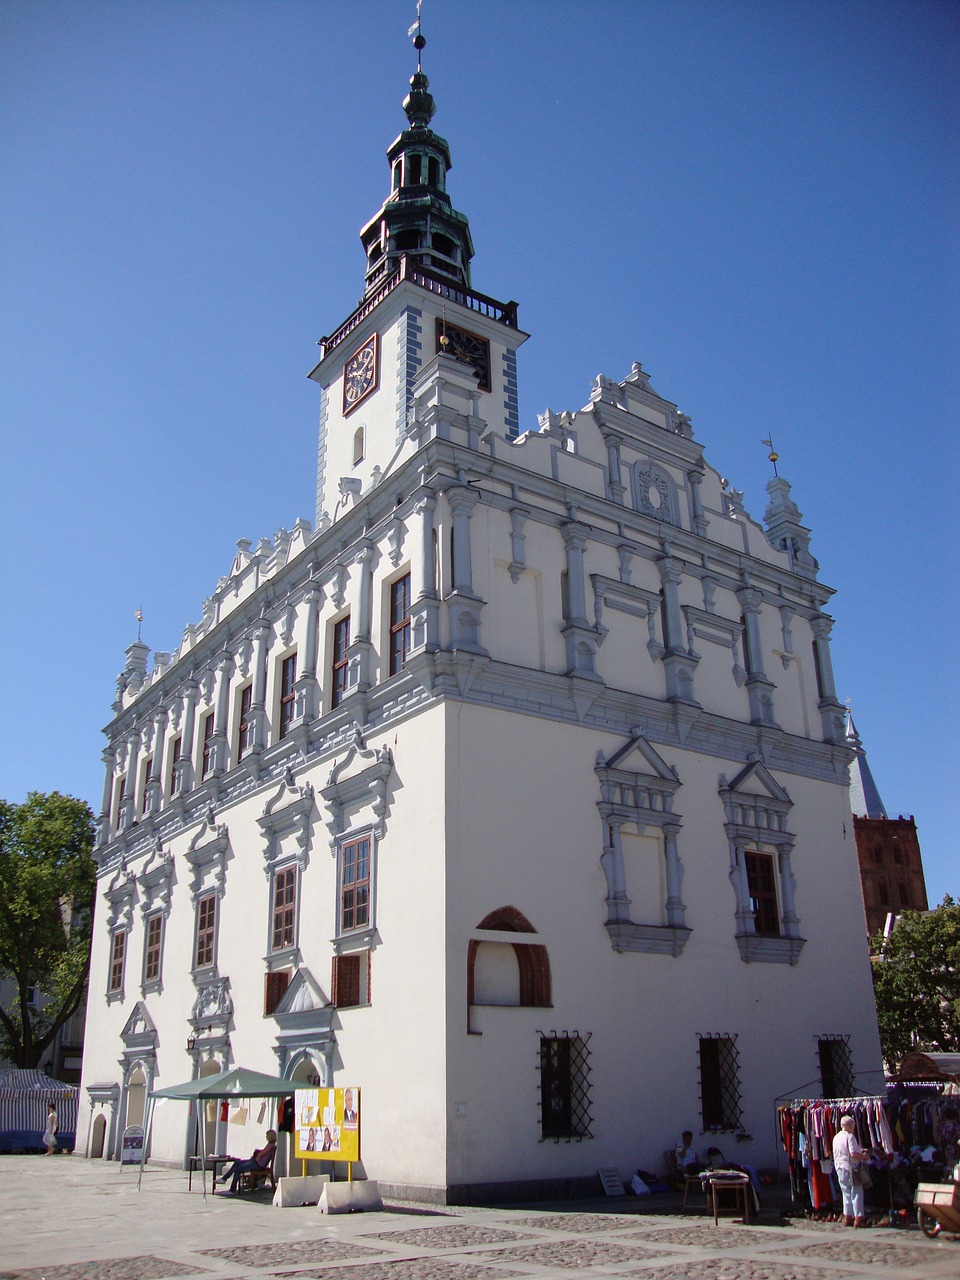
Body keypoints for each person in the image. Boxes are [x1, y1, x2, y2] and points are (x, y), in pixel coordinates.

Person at [832, 1114, 869, 1226]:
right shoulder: (850, 1136)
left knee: (845, 1193)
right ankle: (858, 1217)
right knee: (856, 1191)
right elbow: (853, 1154)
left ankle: (847, 1217)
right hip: (850, 1168)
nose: (854, 1128)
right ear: (849, 1126)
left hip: (839, 1167)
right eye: (853, 1126)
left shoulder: (836, 1137)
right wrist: (864, 1156)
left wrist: (860, 1150)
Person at [219, 1129, 277, 1193]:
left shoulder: (269, 1146)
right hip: (256, 1162)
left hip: (257, 1164)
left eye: (267, 1135)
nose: (266, 1137)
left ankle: (232, 1189)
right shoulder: (272, 1146)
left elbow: (260, 1155)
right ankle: (224, 1179)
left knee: (238, 1169)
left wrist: (258, 1155)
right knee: (237, 1163)